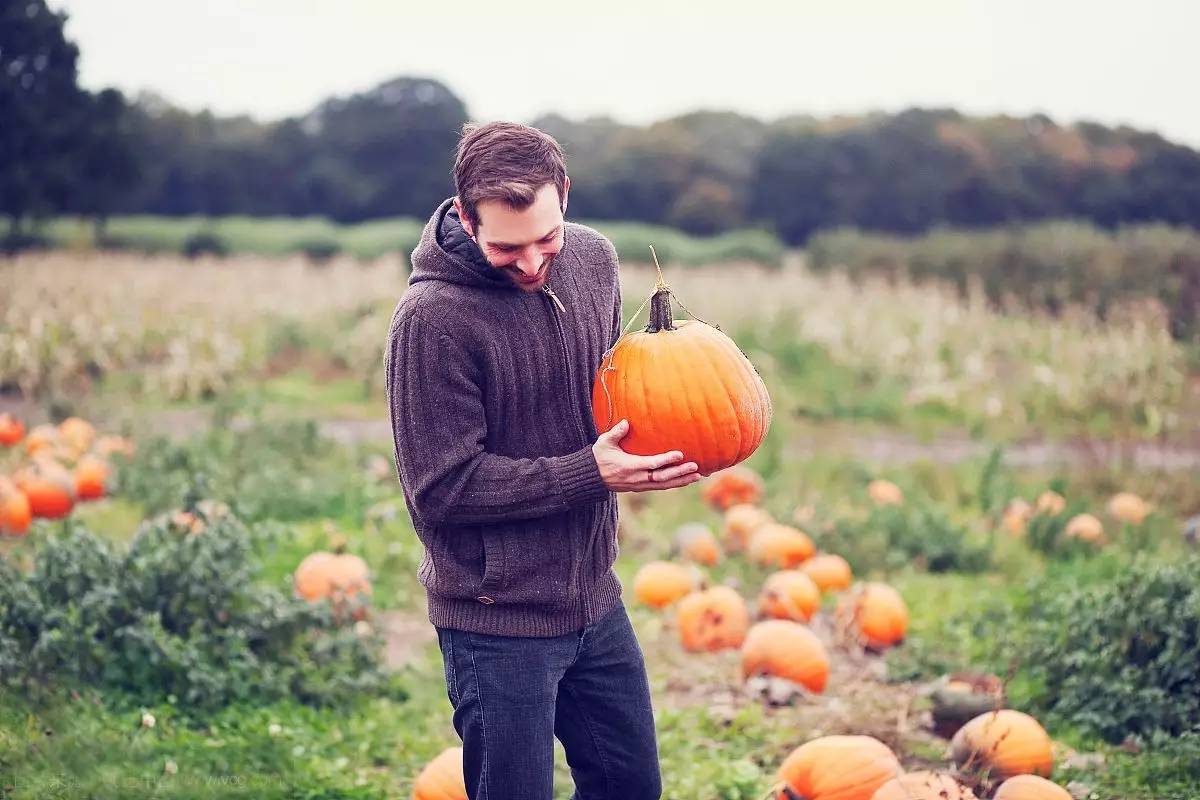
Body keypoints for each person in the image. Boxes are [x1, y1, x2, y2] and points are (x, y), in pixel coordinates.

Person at [385, 121, 700, 800]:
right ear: (465, 218)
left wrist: (659, 440)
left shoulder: (595, 261)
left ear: (564, 193)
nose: (531, 264)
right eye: (505, 247)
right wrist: (591, 471)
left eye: (546, 238)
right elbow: (440, 488)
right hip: (496, 622)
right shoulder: (431, 320)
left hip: (594, 596)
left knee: (630, 789)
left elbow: (612, 394)